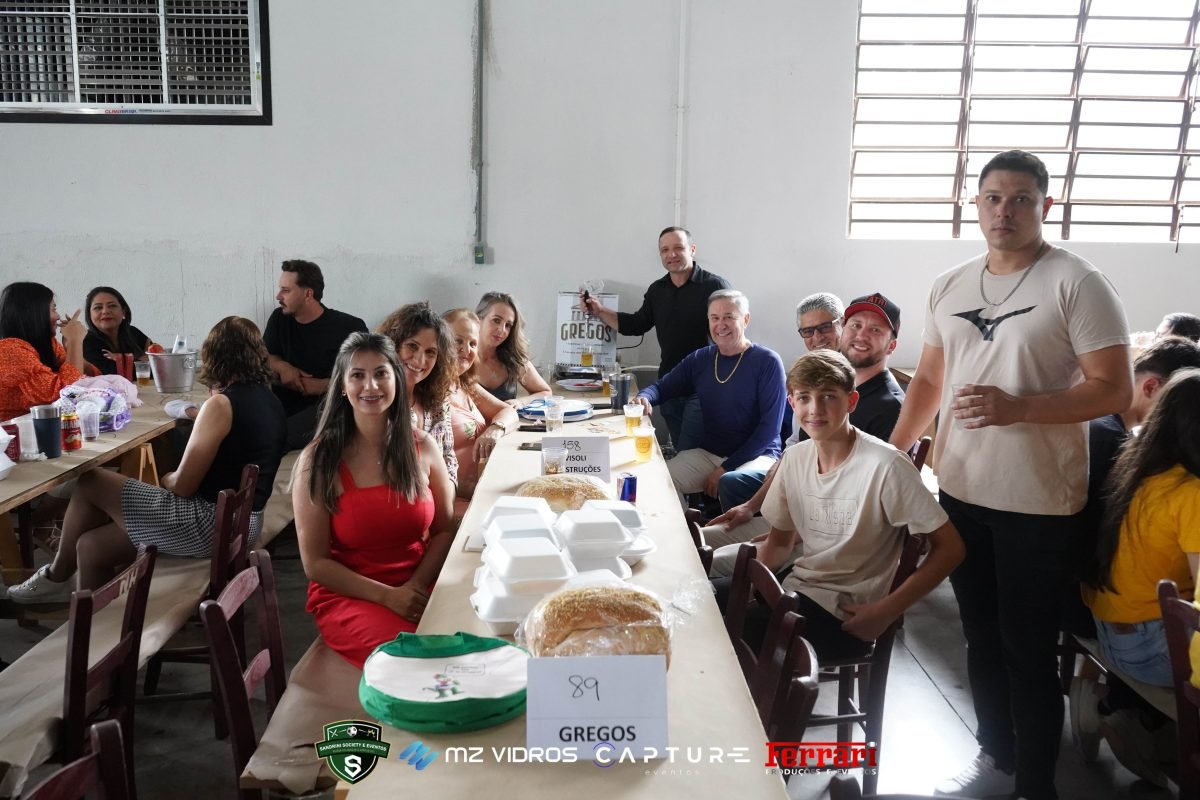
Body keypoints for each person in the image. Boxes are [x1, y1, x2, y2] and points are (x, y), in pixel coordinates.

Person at [887, 150, 1132, 800]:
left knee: (1027, 648)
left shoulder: (1077, 282)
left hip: (1039, 501)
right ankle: (995, 752)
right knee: (979, 635)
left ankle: (1035, 784)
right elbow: (930, 378)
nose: (1005, 211)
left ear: (1045, 206)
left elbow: (1114, 389)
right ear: (976, 204)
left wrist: (1019, 408)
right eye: (993, 197)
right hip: (961, 489)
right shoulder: (951, 283)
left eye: (1021, 198)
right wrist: (894, 453)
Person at [9, 317, 286, 601]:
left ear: (214, 356)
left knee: (91, 480)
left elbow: (182, 486)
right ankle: (93, 622)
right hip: (243, 523)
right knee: (91, 547)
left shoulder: (221, 404)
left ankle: (56, 574)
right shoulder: (270, 401)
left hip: (208, 524)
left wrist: (166, 478)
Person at [711, 350, 963, 660]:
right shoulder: (795, 458)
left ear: (851, 401)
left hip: (847, 614)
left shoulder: (886, 465)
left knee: (725, 642)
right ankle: (676, 681)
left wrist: (887, 610)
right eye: (804, 397)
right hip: (796, 587)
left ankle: (761, 696)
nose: (815, 409)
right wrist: (749, 587)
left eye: (828, 396)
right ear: (792, 403)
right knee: (701, 605)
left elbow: (951, 548)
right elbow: (779, 544)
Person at [1066, 336, 1200, 782]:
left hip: (1108, 623)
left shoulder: (1140, 467)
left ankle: (1133, 719)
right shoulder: (1191, 492)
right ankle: (1135, 721)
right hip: (1145, 645)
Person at [705, 292, 906, 569]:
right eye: (856, 325)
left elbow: (867, 502)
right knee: (698, 541)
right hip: (797, 517)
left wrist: (791, 535)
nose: (860, 336)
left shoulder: (889, 407)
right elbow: (795, 457)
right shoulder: (831, 385)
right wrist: (751, 507)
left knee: (710, 562)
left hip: (829, 537)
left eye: (875, 330)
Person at [293, 332, 455, 667]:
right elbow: (316, 564)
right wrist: (389, 596)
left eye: (381, 373)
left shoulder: (423, 446)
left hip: (420, 583)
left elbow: (443, 530)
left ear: (396, 379)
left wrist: (415, 586)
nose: (371, 386)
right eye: (357, 375)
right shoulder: (319, 460)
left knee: (473, 639)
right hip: (352, 595)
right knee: (412, 660)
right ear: (342, 386)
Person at [580, 227, 730, 450]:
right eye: (665, 250)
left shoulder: (715, 287)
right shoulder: (657, 290)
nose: (672, 254)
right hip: (670, 385)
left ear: (692, 249)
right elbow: (636, 324)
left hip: (705, 387)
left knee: (692, 453)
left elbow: (732, 331)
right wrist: (599, 311)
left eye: (678, 248)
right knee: (681, 449)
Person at [634, 289, 785, 510]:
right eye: (714, 318)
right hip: (710, 454)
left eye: (728, 317)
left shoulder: (768, 361)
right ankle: (687, 526)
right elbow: (662, 387)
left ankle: (728, 531)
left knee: (731, 482)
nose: (720, 325)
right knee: (657, 478)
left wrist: (726, 467)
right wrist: (644, 397)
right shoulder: (701, 358)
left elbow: (770, 429)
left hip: (757, 456)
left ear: (745, 319)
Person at [263, 260, 367, 451]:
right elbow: (266, 356)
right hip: (281, 406)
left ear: (308, 294)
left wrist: (323, 386)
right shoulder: (279, 319)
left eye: (286, 290)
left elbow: (364, 379)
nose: (278, 296)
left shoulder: (349, 327)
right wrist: (283, 367)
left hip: (327, 409)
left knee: (275, 437)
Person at [442, 309, 519, 506]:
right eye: (458, 341)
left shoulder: (464, 384)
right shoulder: (427, 395)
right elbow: (427, 472)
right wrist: (482, 491)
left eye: (472, 344)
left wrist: (495, 429)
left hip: (484, 492)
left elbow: (509, 412)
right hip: (459, 500)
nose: (466, 350)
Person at [378, 302, 458, 485]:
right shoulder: (374, 402)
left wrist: (447, 496)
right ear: (392, 346)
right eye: (412, 346)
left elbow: (450, 461)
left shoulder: (438, 401)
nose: (420, 360)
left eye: (430, 352)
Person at [0, 281, 86, 422]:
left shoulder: (48, 344)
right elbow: (65, 395)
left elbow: (83, 379)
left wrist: (71, 346)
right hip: (14, 433)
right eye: (53, 309)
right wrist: (76, 341)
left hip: (46, 427)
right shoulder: (9, 350)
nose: (58, 316)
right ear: (34, 312)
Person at [473, 291, 551, 406]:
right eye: (496, 320)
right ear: (478, 319)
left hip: (509, 418)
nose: (502, 330)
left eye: (508, 325)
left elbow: (545, 392)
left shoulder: (513, 359)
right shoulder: (462, 359)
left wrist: (520, 402)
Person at [81, 286, 156, 376]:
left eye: (112, 306)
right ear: (89, 314)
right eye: (98, 307)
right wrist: (142, 361)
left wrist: (120, 360)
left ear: (123, 311)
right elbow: (110, 374)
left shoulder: (133, 332)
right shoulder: (85, 341)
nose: (105, 311)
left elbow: (159, 365)